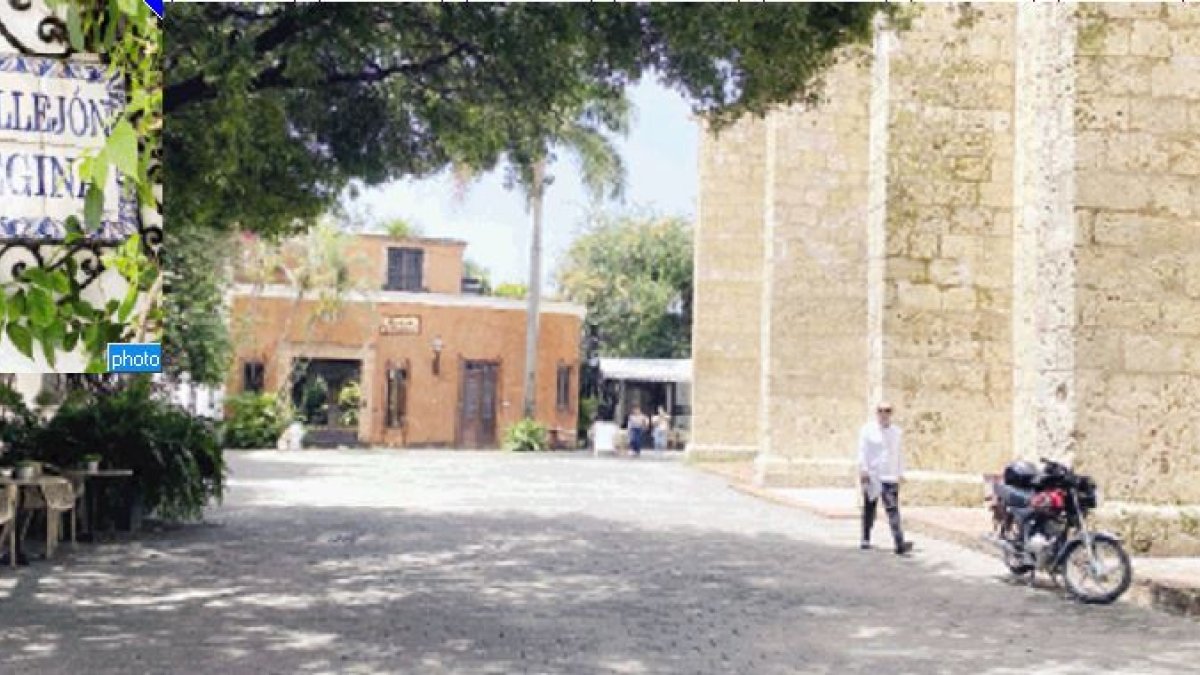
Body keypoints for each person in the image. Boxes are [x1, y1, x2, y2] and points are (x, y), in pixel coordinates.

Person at [857, 401, 913, 555]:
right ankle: (865, 537)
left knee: (892, 509)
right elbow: (862, 451)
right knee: (869, 508)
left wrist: (901, 473)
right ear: (876, 413)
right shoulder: (867, 430)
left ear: (891, 413)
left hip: (890, 475)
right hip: (873, 475)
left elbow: (899, 453)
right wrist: (863, 470)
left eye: (887, 411)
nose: (884, 414)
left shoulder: (897, 432)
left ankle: (899, 542)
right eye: (880, 410)